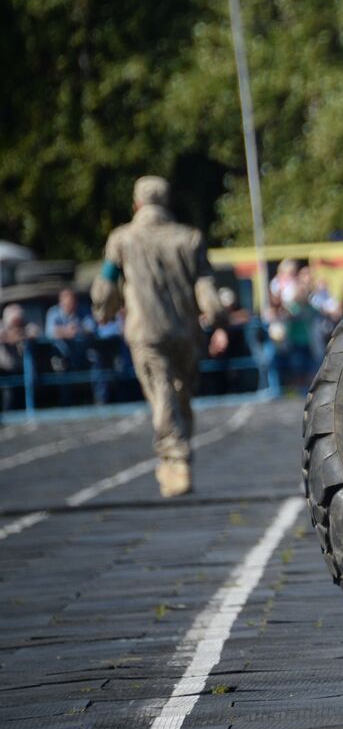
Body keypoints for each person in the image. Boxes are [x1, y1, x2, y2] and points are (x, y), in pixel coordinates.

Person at [91, 176, 228, 498]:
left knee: (163, 393)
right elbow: (204, 286)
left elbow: (107, 283)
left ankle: (175, 459)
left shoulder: (122, 239)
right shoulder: (190, 238)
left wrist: (104, 310)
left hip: (146, 331)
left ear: (137, 204)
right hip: (186, 332)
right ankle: (176, 455)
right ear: (166, 203)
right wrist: (219, 320)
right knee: (181, 394)